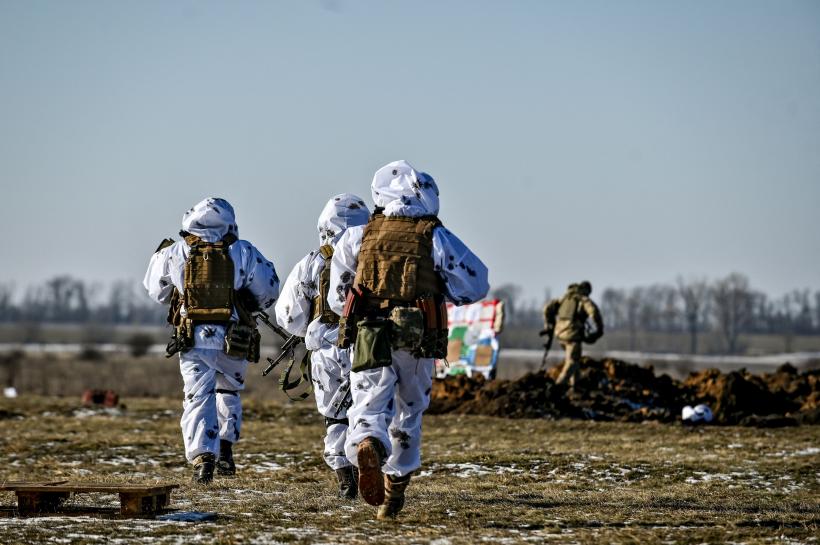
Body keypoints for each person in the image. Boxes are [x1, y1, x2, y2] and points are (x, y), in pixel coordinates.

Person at [329, 160, 489, 519]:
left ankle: (368, 442)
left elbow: (338, 297)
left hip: (369, 332)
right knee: (409, 409)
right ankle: (395, 487)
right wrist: (442, 289)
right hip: (416, 335)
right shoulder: (435, 236)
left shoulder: (358, 235)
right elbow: (476, 284)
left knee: (368, 401)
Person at [143, 197, 279, 483]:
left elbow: (156, 291)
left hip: (193, 338)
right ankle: (226, 448)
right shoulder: (243, 251)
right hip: (234, 337)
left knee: (197, 397)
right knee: (228, 391)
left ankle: (203, 458)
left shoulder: (175, 252)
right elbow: (269, 292)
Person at [274, 193, 370, 499]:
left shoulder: (312, 262)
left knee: (334, 416)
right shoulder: (374, 258)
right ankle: (366, 461)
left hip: (327, 348)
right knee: (367, 409)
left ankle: (345, 479)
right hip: (368, 344)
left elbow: (288, 315)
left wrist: (309, 331)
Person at [541, 281, 603, 387]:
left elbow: (546, 308)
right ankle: (559, 384)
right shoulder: (583, 299)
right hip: (572, 334)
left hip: (560, 334)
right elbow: (593, 312)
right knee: (572, 362)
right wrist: (599, 328)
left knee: (574, 359)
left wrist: (549, 324)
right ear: (587, 290)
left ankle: (575, 385)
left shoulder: (565, 298)